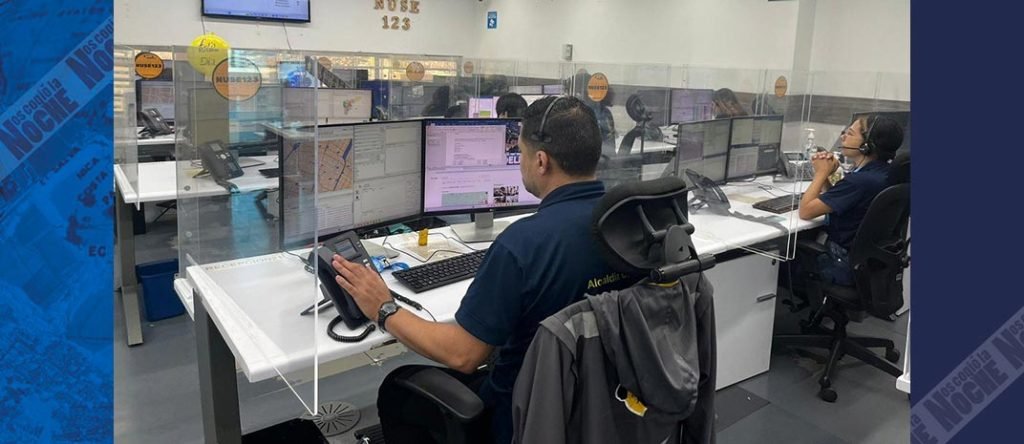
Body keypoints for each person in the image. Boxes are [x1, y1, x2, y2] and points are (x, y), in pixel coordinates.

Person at [329, 96, 636, 444]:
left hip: (523, 416)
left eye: (520, 153)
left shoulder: (523, 244)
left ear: (541, 161)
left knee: (397, 388)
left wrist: (384, 309)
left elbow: (463, 356)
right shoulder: (631, 225)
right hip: (604, 406)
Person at [798, 114, 905, 285]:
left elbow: (805, 211)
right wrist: (826, 176)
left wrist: (821, 173)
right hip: (868, 265)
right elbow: (839, 201)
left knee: (783, 259)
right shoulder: (884, 173)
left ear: (866, 145)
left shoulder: (860, 181)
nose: (843, 137)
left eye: (850, 133)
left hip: (840, 263)